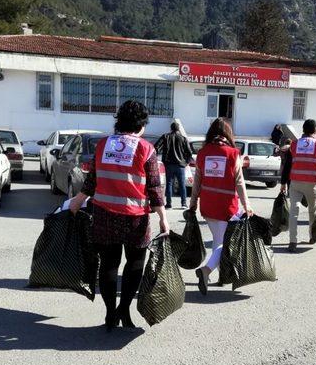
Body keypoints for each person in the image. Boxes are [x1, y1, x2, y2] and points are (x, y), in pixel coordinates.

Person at [69, 100, 169, 331]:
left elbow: (92, 181)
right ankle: (124, 309)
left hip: (104, 214)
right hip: (135, 218)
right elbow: (154, 187)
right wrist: (163, 217)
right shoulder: (146, 149)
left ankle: (110, 313)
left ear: (119, 121)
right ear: (142, 125)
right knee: (135, 263)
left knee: (109, 264)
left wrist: (77, 201)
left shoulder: (103, 145)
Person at [189, 117, 253, 295]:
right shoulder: (233, 154)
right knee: (224, 242)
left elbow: (197, 182)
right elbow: (240, 183)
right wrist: (246, 205)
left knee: (218, 240)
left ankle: (220, 276)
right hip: (226, 206)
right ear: (228, 134)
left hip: (208, 205)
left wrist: (193, 203)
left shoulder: (202, 153)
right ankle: (206, 270)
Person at [280, 119, 316, 252]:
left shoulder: (294, 144)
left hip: (295, 183)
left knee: (293, 213)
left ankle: (292, 242)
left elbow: (288, 165)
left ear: (303, 129)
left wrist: (283, 183)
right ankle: (312, 237)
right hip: (312, 184)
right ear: (315, 131)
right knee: (313, 211)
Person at [154, 122, 193, 209]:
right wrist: (186, 162)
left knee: (169, 183)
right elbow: (189, 152)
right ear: (178, 129)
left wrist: (157, 157)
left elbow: (156, 147)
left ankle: (169, 204)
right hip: (181, 165)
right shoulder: (183, 138)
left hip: (169, 164)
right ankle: (183, 204)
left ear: (171, 128)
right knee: (182, 184)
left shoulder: (165, 136)